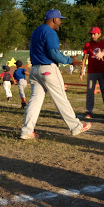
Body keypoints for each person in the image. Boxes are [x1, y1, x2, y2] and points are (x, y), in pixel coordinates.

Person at [20, 9, 91, 139]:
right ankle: (76, 127)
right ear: (54, 19)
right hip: (48, 69)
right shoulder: (50, 32)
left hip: (35, 69)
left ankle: (27, 131)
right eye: (60, 20)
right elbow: (54, 53)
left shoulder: (36, 31)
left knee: (34, 101)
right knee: (61, 98)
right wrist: (70, 61)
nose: (60, 23)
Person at [80, 27, 104, 119]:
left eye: (94, 34)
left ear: (99, 34)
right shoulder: (88, 45)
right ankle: (89, 111)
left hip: (102, 71)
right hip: (92, 72)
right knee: (90, 92)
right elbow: (84, 59)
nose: (92, 36)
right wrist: (82, 71)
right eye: (91, 34)